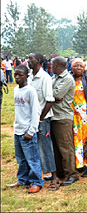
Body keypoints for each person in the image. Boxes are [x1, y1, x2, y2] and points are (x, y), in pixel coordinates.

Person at [7, 65, 44, 193]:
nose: (17, 77)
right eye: (15, 74)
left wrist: (31, 130)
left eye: (20, 75)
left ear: (27, 76)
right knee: (21, 158)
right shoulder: (16, 90)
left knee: (32, 158)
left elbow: (36, 112)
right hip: (18, 129)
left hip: (28, 131)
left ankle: (36, 182)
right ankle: (23, 179)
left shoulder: (30, 91)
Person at [27, 52, 59, 191]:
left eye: (31, 59)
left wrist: (40, 119)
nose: (28, 61)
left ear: (38, 61)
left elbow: (49, 101)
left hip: (43, 119)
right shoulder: (29, 77)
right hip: (31, 119)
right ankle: (37, 175)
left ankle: (54, 177)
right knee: (33, 148)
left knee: (45, 147)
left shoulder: (45, 78)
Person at [51, 56, 79, 186]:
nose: (50, 66)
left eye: (52, 64)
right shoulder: (55, 78)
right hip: (54, 116)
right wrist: (52, 95)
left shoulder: (67, 79)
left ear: (57, 65)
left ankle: (72, 174)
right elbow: (50, 93)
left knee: (65, 147)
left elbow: (57, 95)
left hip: (63, 117)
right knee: (56, 148)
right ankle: (60, 172)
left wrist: (53, 96)